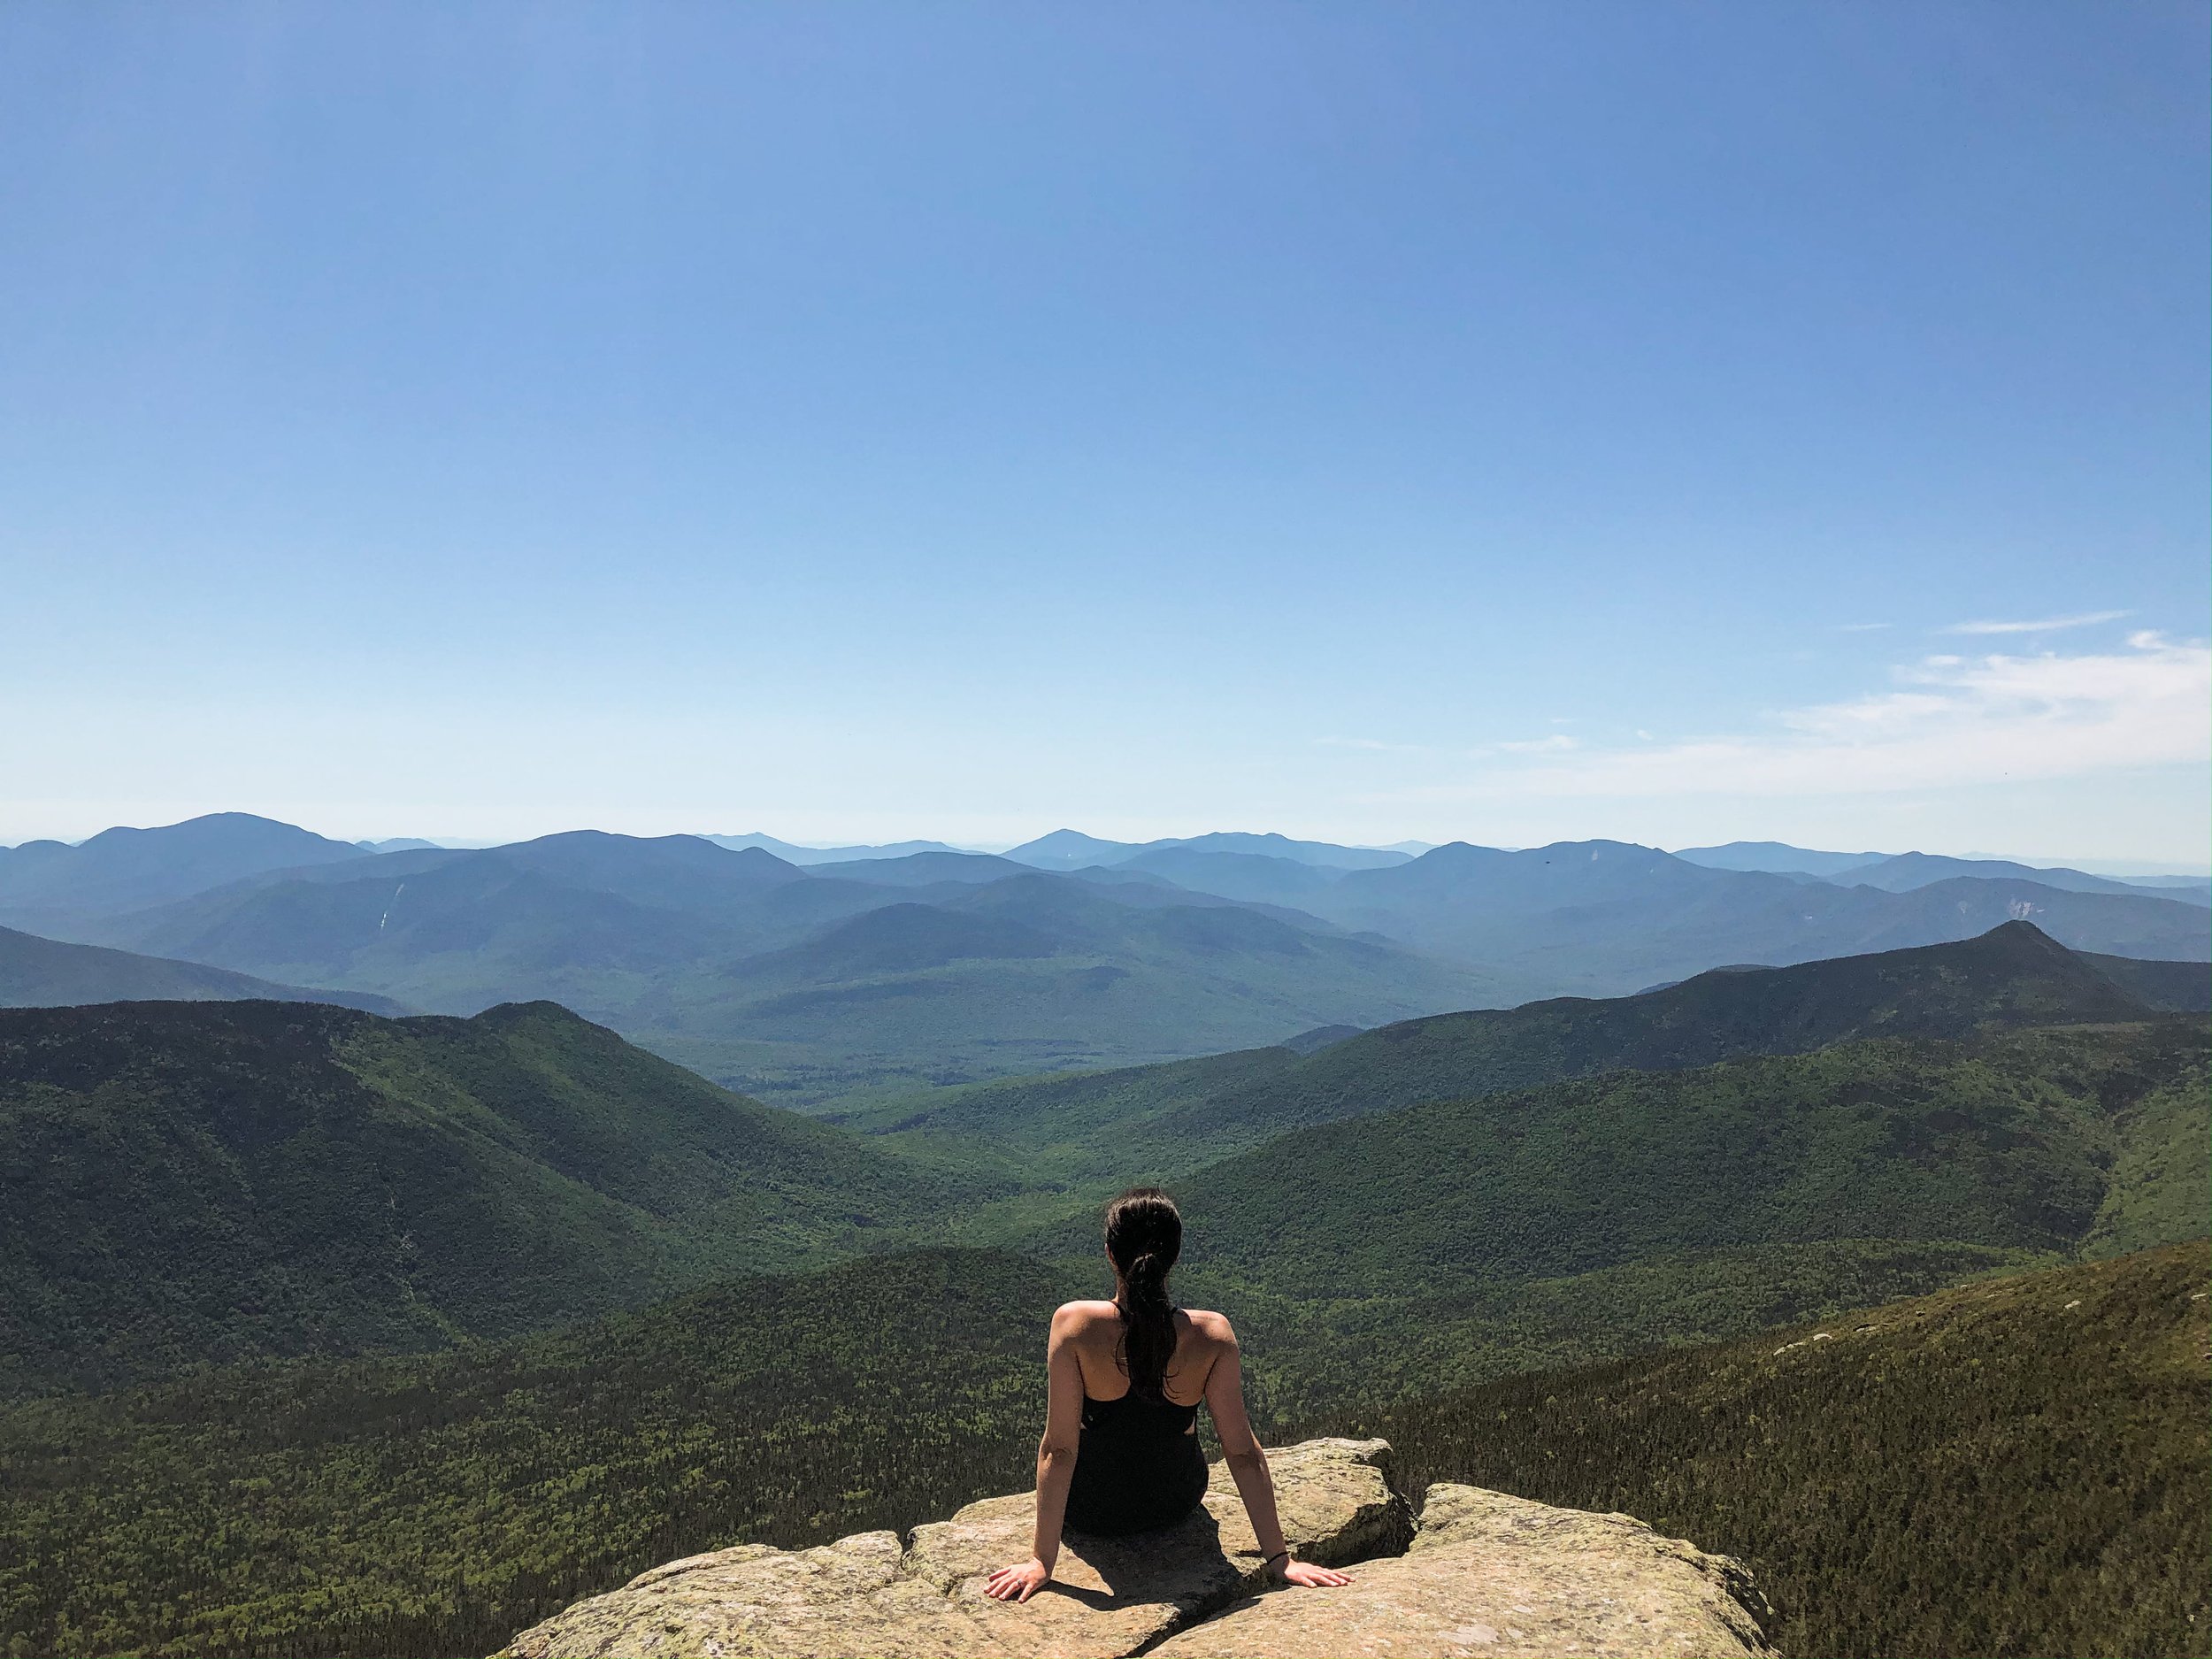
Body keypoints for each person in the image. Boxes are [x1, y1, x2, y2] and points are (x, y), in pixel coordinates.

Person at [985, 1186, 1353, 1602]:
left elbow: (1059, 1449)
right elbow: (1242, 1452)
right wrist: (1280, 1560)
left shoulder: (1074, 1326)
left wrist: (1041, 1561)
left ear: (1110, 1253)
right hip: (1174, 1503)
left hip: (1092, 1513)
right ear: (1173, 1258)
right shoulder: (1212, 1335)